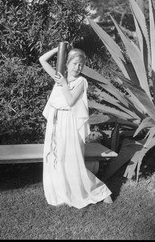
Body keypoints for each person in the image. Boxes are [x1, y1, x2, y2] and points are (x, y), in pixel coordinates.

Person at [39, 46, 113, 209]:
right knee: (55, 157)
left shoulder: (81, 81)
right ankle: (60, 192)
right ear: (67, 63)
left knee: (71, 160)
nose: (78, 67)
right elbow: (42, 60)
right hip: (55, 121)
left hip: (68, 122)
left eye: (81, 65)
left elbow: (71, 101)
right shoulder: (60, 76)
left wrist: (64, 84)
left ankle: (101, 191)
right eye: (75, 63)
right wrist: (58, 48)